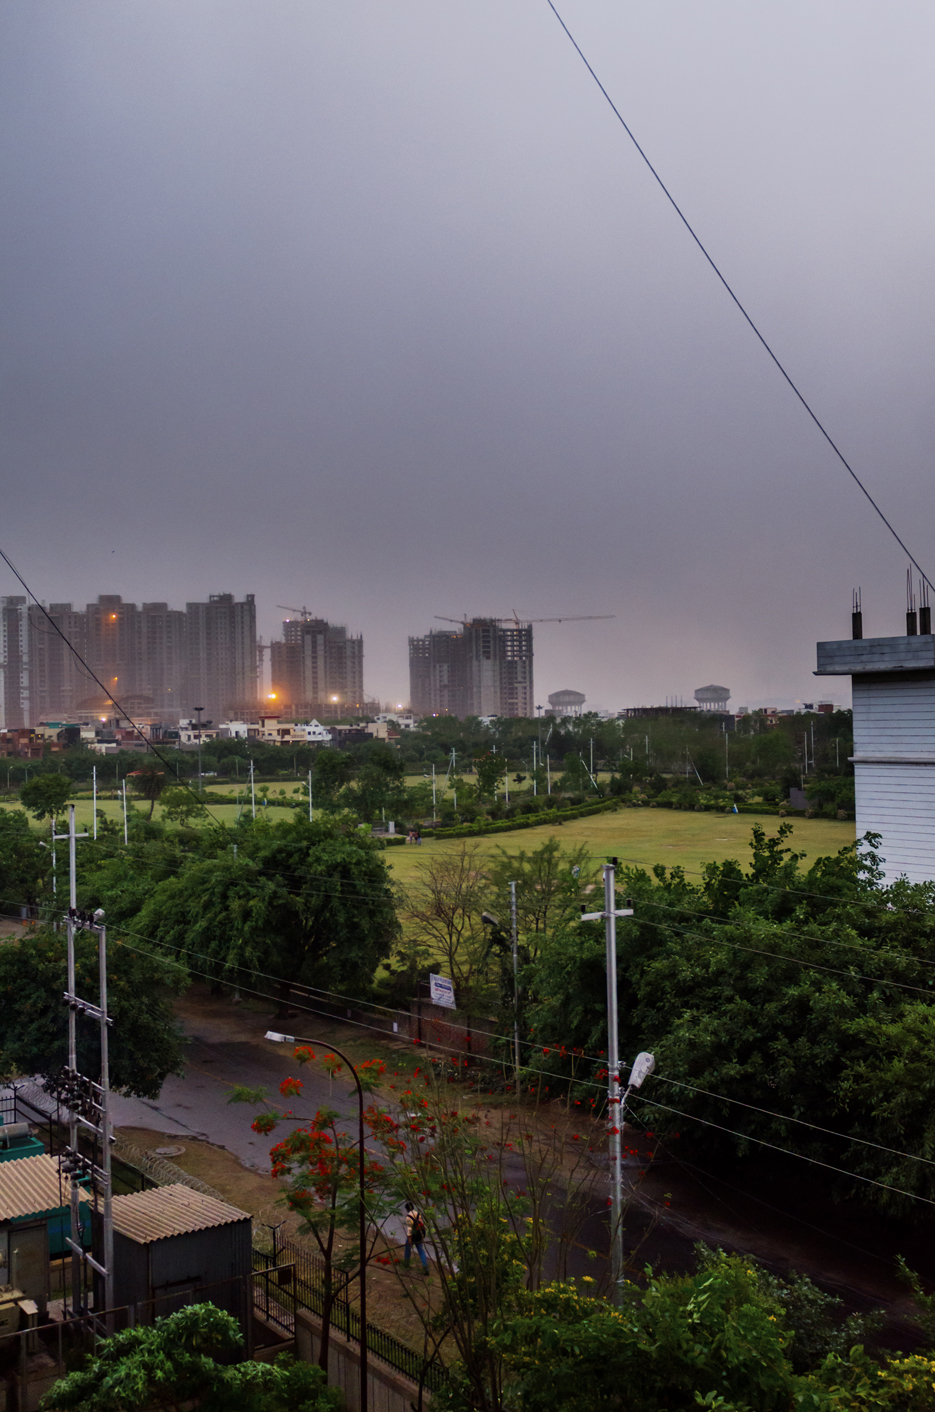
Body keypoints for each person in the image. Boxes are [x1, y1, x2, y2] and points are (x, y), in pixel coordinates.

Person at [403, 1200, 430, 1272]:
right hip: (419, 1235)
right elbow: (422, 1224)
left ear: (407, 1209)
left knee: (407, 1249)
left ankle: (406, 1265)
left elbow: (409, 1229)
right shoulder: (418, 1214)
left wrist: (409, 1240)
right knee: (421, 1251)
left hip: (413, 1235)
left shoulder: (408, 1217)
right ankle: (425, 1268)